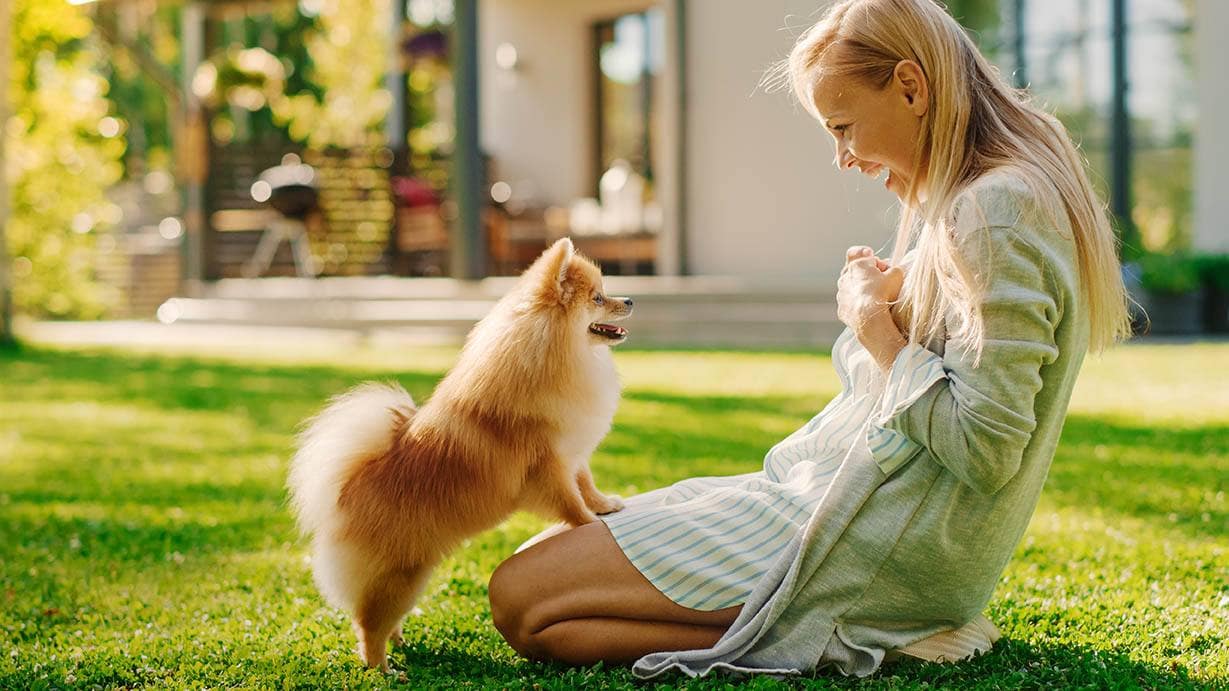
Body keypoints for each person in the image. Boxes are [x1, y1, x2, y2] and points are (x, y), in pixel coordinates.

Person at [487, 0, 1132, 676]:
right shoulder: (977, 199)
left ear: (911, 87)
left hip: (867, 538)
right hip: (827, 498)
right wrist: (897, 300)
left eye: (843, 126)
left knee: (522, 597)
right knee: (544, 600)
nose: (841, 156)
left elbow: (987, 447)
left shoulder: (996, 206)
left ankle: (845, 624)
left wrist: (873, 325)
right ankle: (824, 623)